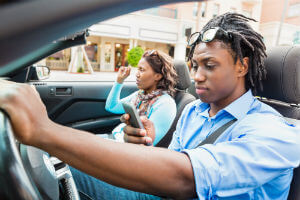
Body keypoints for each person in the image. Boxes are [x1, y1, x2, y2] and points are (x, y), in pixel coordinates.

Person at [0, 12, 299, 200]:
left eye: (209, 65)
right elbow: (171, 168)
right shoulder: (194, 111)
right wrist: (145, 148)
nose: (196, 76)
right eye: (194, 65)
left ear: (241, 66)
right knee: (61, 166)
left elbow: (184, 178)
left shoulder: (276, 132)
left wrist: (43, 131)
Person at [104, 50, 177, 145]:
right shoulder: (140, 95)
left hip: (122, 147)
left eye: (142, 70)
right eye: (138, 69)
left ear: (157, 76)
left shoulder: (166, 104)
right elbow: (111, 106)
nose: (137, 74)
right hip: (115, 137)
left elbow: (146, 143)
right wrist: (119, 81)